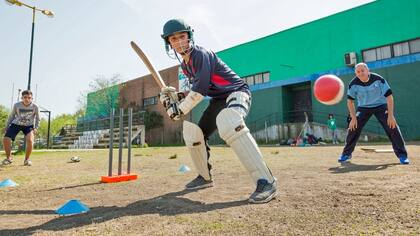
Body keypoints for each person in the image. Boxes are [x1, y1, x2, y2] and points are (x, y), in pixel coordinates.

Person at [159, 19, 277, 203]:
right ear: (169, 43)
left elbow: (199, 91)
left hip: (237, 92)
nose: (179, 41)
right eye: (174, 39)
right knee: (195, 135)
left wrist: (179, 110)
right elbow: (196, 88)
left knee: (230, 123)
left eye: (182, 36)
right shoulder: (185, 66)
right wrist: (176, 98)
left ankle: (267, 182)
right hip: (218, 99)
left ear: (189, 37)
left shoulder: (200, 54)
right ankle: (204, 177)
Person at [338, 63, 409, 164]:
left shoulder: (379, 79)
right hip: (363, 107)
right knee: (353, 127)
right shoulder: (353, 84)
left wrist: (390, 115)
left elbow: (389, 97)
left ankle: (402, 155)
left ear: (368, 71)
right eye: (358, 72)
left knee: (392, 126)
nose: (361, 73)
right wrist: (353, 118)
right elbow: (350, 101)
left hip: (381, 105)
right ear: (355, 73)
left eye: (363, 70)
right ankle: (346, 154)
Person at [2, 90, 40, 166]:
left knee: (30, 140)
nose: (27, 99)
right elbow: (12, 116)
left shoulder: (35, 106)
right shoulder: (16, 105)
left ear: (32, 98)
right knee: (6, 139)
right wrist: (7, 126)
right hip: (16, 124)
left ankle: (27, 160)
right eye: (25, 97)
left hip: (28, 126)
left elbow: (38, 118)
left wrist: (36, 127)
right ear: (21, 98)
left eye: (29, 98)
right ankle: (9, 158)